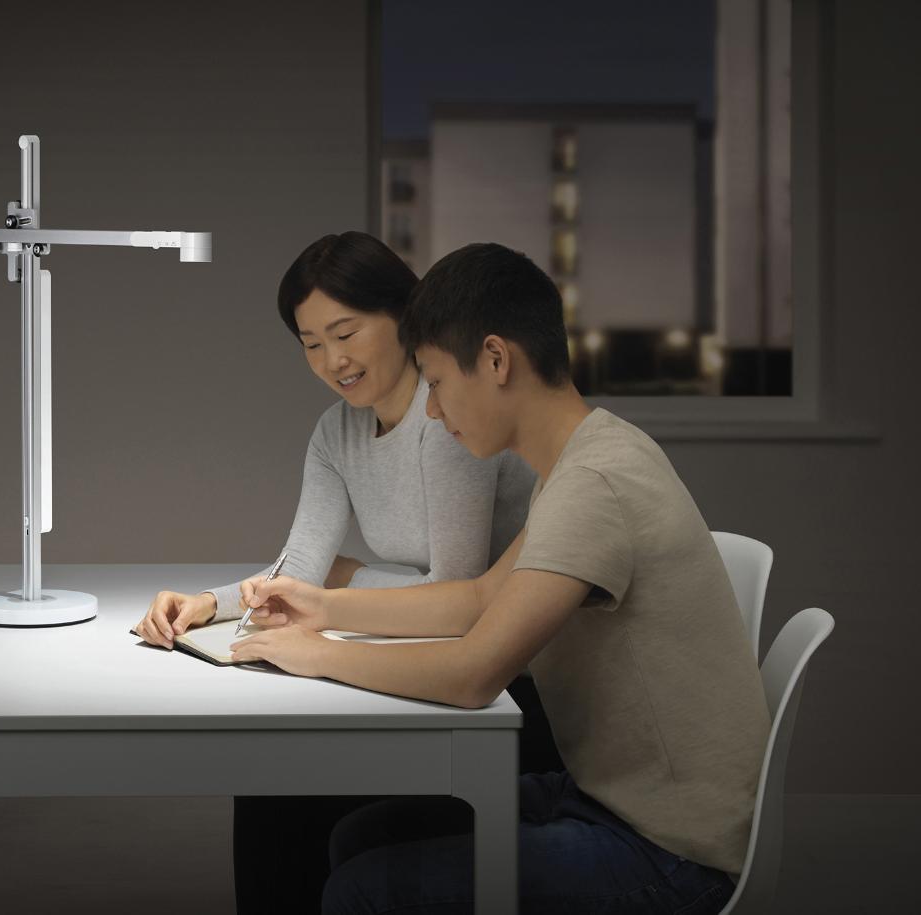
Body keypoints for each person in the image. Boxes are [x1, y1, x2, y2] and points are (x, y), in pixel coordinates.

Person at [230, 242, 769, 915]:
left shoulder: (593, 485)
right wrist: (320, 603)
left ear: (494, 360)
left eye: (435, 380)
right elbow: (479, 597)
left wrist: (320, 655)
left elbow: (473, 673)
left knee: (359, 887)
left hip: (667, 847)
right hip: (602, 792)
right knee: (357, 836)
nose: (431, 410)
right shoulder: (582, 460)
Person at [132, 231, 538, 913]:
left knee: (294, 791)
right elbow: (301, 569)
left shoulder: (450, 417)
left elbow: (462, 597)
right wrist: (208, 602)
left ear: (403, 315)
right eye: (311, 343)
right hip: (417, 666)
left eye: (346, 332)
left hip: (509, 695)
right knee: (268, 783)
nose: (333, 360)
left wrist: (348, 583)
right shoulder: (336, 433)